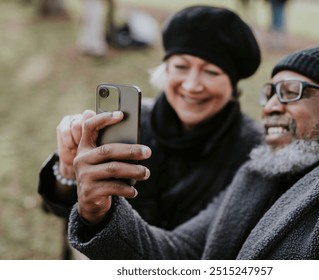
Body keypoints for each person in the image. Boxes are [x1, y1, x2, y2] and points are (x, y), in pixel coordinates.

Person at [68, 45, 319, 259]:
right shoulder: (258, 174)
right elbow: (182, 251)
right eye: (269, 93)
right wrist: (101, 213)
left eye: (291, 92)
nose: (271, 107)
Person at [38, 5, 262, 258]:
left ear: (232, 85)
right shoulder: (130, 122)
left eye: (211, 71)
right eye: (181, 66)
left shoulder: (252, 150)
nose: (192, 85)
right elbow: (61, 212)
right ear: (165, 71)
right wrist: (67, 175)